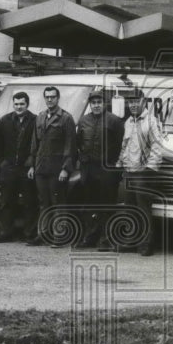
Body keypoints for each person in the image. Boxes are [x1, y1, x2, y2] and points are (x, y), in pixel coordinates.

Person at [113, 87, 165, 256]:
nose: (134, 105)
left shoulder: (151, 121)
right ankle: (130, 241)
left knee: (143, 208)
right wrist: (120, 163)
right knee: (129, 208)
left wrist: (150, 168)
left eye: (137, 101)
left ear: (144, 102)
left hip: (144, 172)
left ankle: (146, 244)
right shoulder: (128, 122)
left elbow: (157, 147)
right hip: (129, 171)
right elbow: (124, 146)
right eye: (131, 102)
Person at [27, 85, 77, 246]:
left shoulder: (66, 118)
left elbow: (70, 145)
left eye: (52, 97)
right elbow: (35, 143)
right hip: (41, 166)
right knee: (43, 201)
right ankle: (43, 234)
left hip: (57, 167)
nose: (49, 99)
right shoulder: (40, 117)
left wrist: (65, 168)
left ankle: (59, 236)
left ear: (58, 98)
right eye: (47, 97)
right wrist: (32, 165)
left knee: (58, 203)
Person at [75, 90, 124, 248]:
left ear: (105, 103)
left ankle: (106, 240)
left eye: (99, 102)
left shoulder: (115, 121)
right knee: (90, 205)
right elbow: (79, 143)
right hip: (88, 169)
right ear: (90, 104)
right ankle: (90, 237)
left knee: (107, 205)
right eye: (93, 102)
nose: (96, 105)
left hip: (107, 170)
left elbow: (120, 145)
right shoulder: (83, 121)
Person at [0, 91, 37, 243]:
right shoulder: (5, 120)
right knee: (6, 201)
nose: (19, 107)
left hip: (26, 168)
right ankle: (6, 232)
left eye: (22, 104)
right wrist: (2, 162)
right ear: (13, 104)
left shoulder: (35, 120)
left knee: (29, 201)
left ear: (27, 104)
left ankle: (29, 233)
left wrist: (32, 163)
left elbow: (38, 144)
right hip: (9, 167)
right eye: (16, 104)